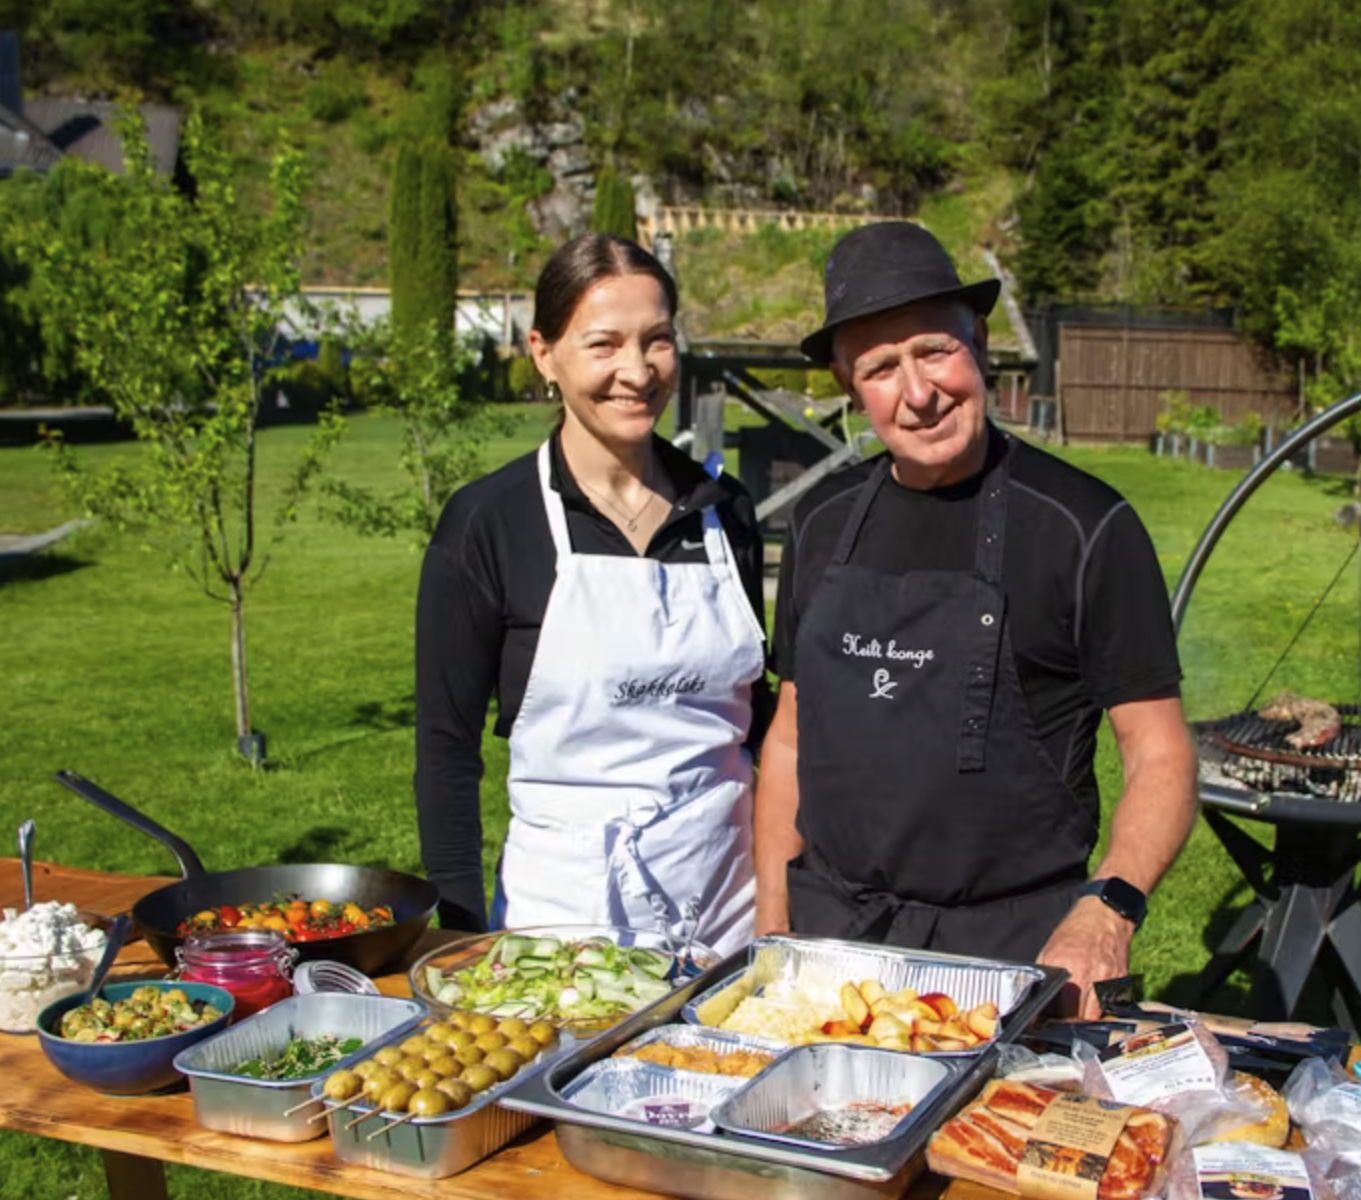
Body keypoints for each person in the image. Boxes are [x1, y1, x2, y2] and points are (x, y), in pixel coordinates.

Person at [753, 222, 1197, 1015]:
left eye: (934, 350)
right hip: (830, 952)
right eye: (881, 368)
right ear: (850, 388)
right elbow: (790, 733)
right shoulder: (821, 522)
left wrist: (1107, 911)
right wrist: (773, 917)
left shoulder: (1083, 526)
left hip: (1014, 962)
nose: (918, 392)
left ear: (979, 344)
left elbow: (1159, 753)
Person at [415, 234, 770, 957]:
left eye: (657, 341)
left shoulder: (724, 510)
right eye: (603, 344)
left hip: (726, 915)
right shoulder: (489, 522)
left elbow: (757, 716)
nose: (636, 372)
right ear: (544, 353)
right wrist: (458, 935)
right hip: (565, 926)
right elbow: (446, 749)